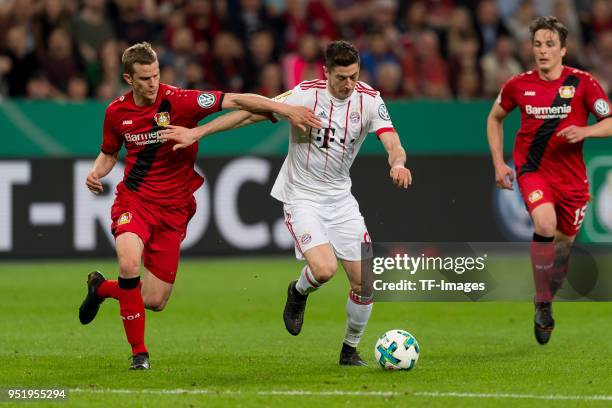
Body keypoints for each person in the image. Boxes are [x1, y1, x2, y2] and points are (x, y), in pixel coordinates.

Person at [160, 40, 412, 365]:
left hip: (340, 198)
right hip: (302, 195)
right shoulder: (305, 94)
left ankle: (349, 350)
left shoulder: (369, 100)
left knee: (365, 282)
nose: (348, 84)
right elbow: (249, 115)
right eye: (341, 77)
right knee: (323, 270)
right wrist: (199, 133)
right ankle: (298, 291)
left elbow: (392, 141)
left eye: (353, 76)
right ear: (326, 73)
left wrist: (397, 163)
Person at [78, 42, 321, 370]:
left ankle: (101, 288)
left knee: (153, 300)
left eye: (156, 75)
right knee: (129, 261)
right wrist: (96, 172)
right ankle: (139, 354)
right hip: (135, 201)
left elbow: (234, 100)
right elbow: (109, 153)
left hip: (174, 209)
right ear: (128, 79)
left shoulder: (180, 100)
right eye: (145, 78)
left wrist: (286, 109)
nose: (153, 83)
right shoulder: (116, 112)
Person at [487, 16, 612, 345]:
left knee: (563, 245)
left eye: (549, 44)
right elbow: (495, 118)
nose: (543, 51)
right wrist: (500, 164)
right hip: (533, 170)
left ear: (563, 49)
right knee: (544, 224)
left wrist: (585, 130)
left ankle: (548, 292)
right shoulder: (518, 85)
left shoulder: (583, 83)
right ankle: (542, 301)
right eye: (538, 44)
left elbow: (609, 122)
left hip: (572, 180)